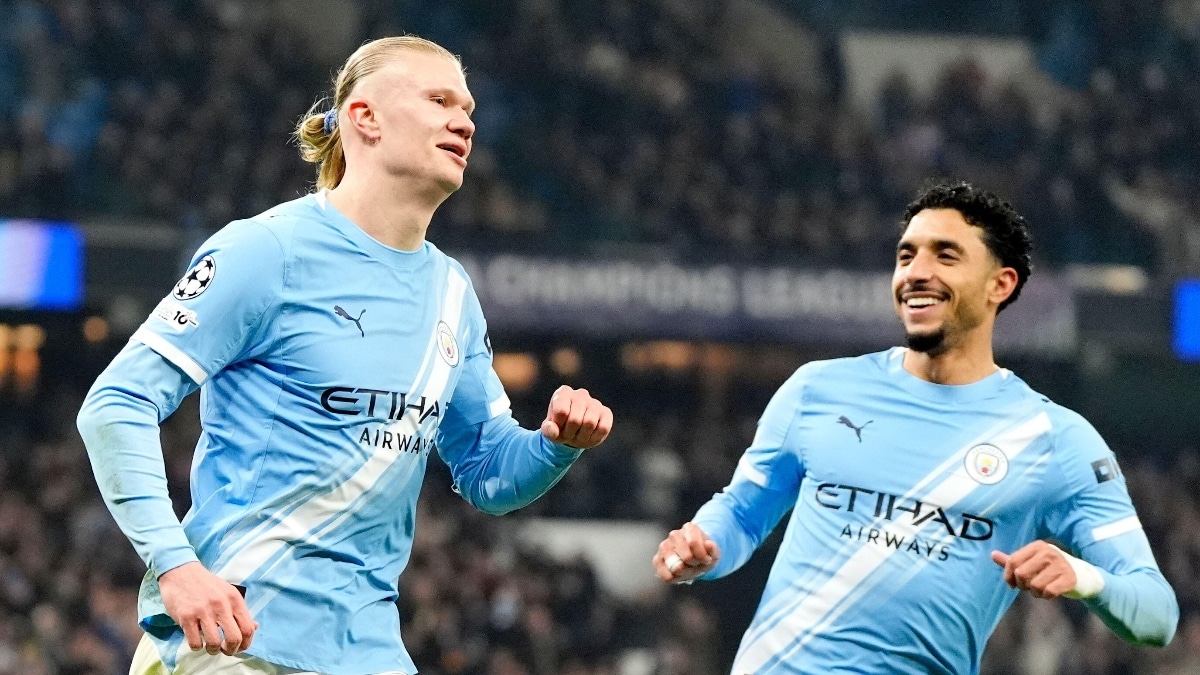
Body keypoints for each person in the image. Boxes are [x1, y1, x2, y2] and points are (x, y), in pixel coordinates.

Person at [77, 35, 613, 675]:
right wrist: (176, 566)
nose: (465, 122)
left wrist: (555, 445)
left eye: (468, 108)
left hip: (368, 652)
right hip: (234, 641)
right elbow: (116, 404)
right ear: (365, 117)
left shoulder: (452, 293)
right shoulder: (267, 252)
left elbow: (488, 473)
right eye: (439, 100)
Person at [652, 181, 1178, 674]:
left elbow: (1157, 615)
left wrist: (1084, 578)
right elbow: (741, 515)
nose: (916, 272)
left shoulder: (1055, 440)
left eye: (945, 255)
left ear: (1000, 283)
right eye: (906, 255)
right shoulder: (818, 389)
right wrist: (704, 548)